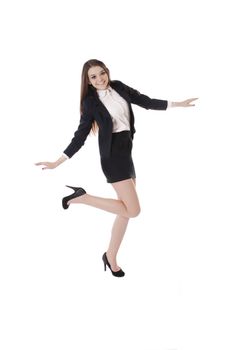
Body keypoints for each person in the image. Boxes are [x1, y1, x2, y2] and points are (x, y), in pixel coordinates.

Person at [36, 59, 198, 277]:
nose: (100, 79)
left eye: (102, 73)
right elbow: (80, 136)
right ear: (88, 81)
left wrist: (176, 104)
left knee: (125, 212)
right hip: (112, 157)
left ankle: (110, 256)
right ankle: (82, 198)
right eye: (93, 77)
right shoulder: (90, 103)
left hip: (126, 153)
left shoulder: (119, 87)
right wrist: (58, 161)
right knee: (134, 210)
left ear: (107, 72)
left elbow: (146, 101)